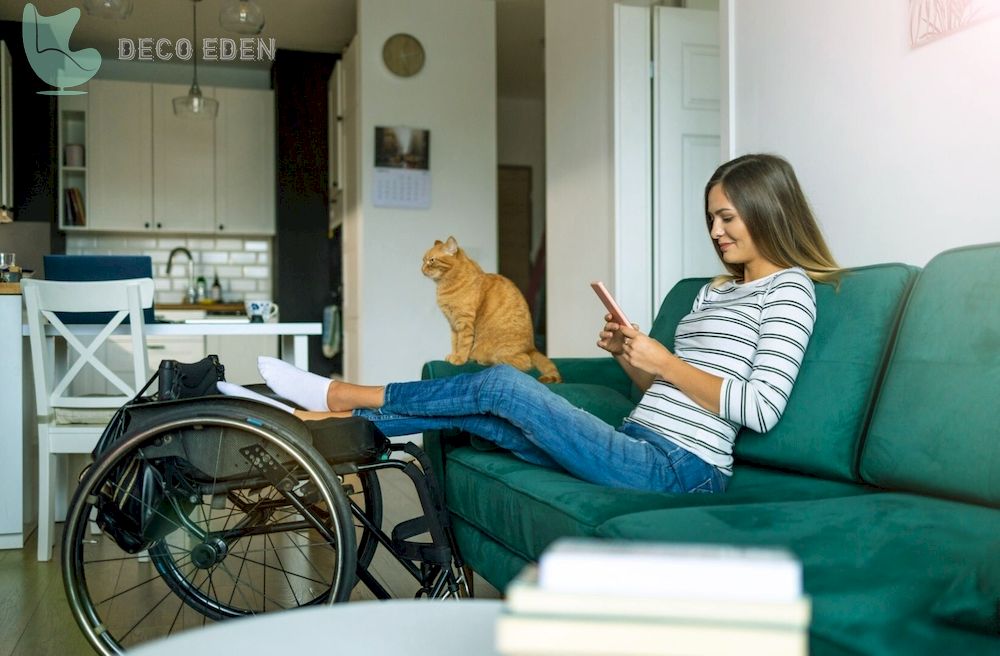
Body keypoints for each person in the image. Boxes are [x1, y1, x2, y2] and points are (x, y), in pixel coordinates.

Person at [219, 154, 839, 494]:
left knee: (502, 384)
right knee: (481, 410)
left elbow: (758, 410)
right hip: (638, 437)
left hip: (682, 469)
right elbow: (664, 391)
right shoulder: (712, 292)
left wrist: (664, 360)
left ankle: (340, 394)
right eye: (710, 218)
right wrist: (631, 357)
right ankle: (307, 420)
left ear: (766, 210)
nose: (716, 232)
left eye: (727, 217)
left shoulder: (790, 293)